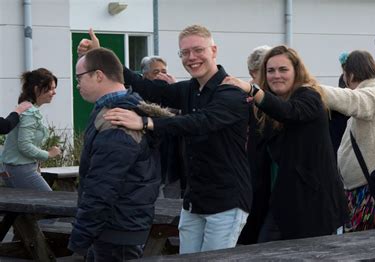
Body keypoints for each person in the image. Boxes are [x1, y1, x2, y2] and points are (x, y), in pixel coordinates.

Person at [80, 25, 252, 254]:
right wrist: (103, 58)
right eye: (185, 52)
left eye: (198, 50)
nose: (191, 57)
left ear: (214, 50)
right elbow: (147, 88)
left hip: (226, 202)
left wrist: (146, 123)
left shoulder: (231, 92)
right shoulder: (190, 89)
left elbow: (201, 122)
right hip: (194, 201)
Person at [224, 45, 348, 242]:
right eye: (270, 70)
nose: (276, 76)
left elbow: (290, 112)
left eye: (283, 69)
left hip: (312, 203)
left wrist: (252, 90)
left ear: (296, 71)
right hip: (276, 201)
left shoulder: (310, 96)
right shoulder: (262, 106)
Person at [67, 48, 164, 260]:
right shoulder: (117, 109)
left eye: (79, 77)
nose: (77, 84)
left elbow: (102, 186)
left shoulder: (117, 119)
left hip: (116, 231)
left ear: (99, 75)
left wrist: (79, 241)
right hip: (115, 227)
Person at [320, 50, 375, 231]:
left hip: (374, 196)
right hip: (368, 192)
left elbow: (348, 98)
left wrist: (308, 87)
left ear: (350, 74)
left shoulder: (373, 95)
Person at [0, 68, 61, 191]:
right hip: (20, 169)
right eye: (51, 88)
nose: (54, 92)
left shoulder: (28, 109)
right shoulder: (30, 112)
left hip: (20, 168)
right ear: (37, 89)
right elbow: (24, 145)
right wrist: (48, 154)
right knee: (49, 203)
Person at [238, 45, 271, 245]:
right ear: (253, 72)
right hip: (253, 172)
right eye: (267, 69)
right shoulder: (243, 98)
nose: (272, 75)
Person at [141, 55, 184, 199]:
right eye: (156, 72)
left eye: (164, 72)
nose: (161, 76)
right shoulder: (138, 100)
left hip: (173, 167)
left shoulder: (174, 96)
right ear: (145, 76)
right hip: (150, 168)